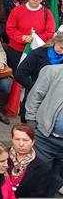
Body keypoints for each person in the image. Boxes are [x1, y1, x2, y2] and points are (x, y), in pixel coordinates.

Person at [24, 61, 63, 194]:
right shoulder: (53, 71)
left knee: (56, 181)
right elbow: (35, 97)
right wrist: (32, 125)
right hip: (44, 139)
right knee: (36, 178)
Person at [4, 0, 56, 70]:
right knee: (16, 73)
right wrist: (22, 37)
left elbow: (50, 32)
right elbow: (10, 28)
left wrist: (34, 38)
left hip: (37, 50)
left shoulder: (47, 13)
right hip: (17, 50)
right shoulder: (17, 10)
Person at [6, 123, 51, 197]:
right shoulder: (2, 157)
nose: (21, 144)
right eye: (17, 139)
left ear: (33, 142)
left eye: (25, 140)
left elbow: (38, 194)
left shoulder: (42, 168)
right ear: (12, 140)